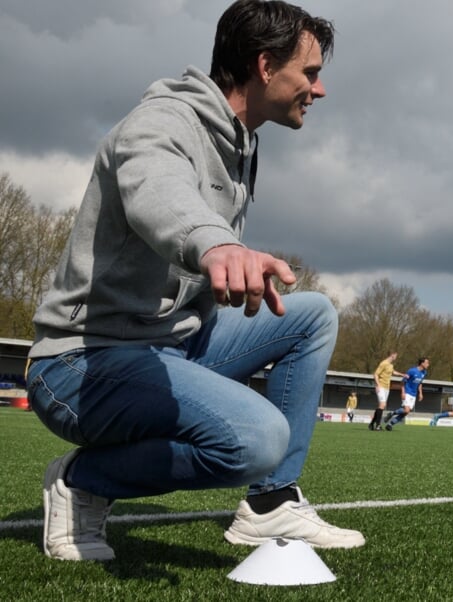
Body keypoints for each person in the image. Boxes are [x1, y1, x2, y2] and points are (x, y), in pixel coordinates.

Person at [24, 1, 363, 562]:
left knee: (314, 315)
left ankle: (270, 503)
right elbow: (156, 187)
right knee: (256, 439)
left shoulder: (240, 141)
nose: (318, 89)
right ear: (263, 66)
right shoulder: (162, 122)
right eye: (310, 73)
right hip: (82, 362)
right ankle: (84, 480)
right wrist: (217, 243)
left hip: (169, 345)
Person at [385, 357, 429, 430]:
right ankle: (392, 413)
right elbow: (403, 382)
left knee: (405, 413)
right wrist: (403, 392)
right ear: (422, 363)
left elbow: (420, 383)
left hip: (414, 394)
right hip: (407, 392)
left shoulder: (424, 372)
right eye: (427, 363)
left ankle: (390, 424)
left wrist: (421, 393)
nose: (428, 364)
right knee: (406, 410)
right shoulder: (412, 371)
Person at [369, 351, 398, 431]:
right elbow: (375, 374)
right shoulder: (383, 363)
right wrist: (378, 385)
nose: (396, 357)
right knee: (382, 404)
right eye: (395, 355)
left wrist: (403, 375)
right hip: (381, 386)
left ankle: (371, 424)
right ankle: (378, 425)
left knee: (381, 406)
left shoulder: (391, 365)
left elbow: (393, 372)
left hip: (387, 388)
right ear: (392, 355)